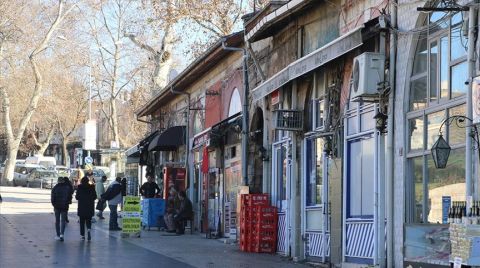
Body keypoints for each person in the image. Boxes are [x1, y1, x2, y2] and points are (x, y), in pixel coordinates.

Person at [51, 177, 73, 241]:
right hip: (64, 206)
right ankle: (62, 234)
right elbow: (70, 197)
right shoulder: (67, 188)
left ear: (58, 181)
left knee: (57, 221)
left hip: (57, 207)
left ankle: (58, 235)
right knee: (63, 221)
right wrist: (68, 202)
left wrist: (54, 205)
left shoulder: (55, 188)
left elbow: (52, 198)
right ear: (63, 181)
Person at [76, 176, 97, 241]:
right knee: (88, 220)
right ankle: (88, 230)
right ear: (88, 181)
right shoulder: (92, 187)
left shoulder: (79, 187)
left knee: (82, 222)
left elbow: (77, 197)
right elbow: (95, 197)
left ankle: (82, 236)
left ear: (82, 181)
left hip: (82, 207)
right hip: (89, 207)